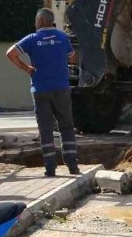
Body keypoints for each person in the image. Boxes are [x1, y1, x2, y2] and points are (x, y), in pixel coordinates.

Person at [6, 9, 80, 177]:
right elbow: (72, 58)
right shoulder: (63, 37)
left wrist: (27, 68)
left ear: (39, 20)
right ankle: (73, 166)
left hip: (40, 90)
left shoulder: (32, 39)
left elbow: (11, 53)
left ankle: (50, 168)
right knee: (67, 126)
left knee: (45, 129)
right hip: (61, 88)